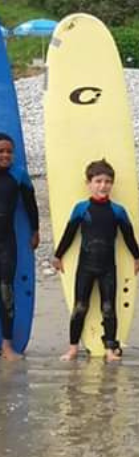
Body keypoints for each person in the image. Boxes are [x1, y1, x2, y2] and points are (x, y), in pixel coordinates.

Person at [53, 159, 139, 362]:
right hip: (85, 267)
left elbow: (128, 236)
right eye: (98, 181)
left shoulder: (118, 211)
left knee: (109, 308)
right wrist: (58, 255)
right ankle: (73, 348)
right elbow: (69, 234)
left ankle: (110, 349)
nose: (103, 185)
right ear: (89, 183)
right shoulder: (81, 208)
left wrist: (137, 257)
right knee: (80, 307)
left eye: (108, 181)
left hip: (108, 268)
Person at [0, 133, 39, 361]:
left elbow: (30, 204)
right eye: (1, 151)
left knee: (6, 293)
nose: (5, 155)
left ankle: (7, 346)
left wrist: (35, 230)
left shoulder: (19, 175)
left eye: (9, 151)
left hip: (6, 242)